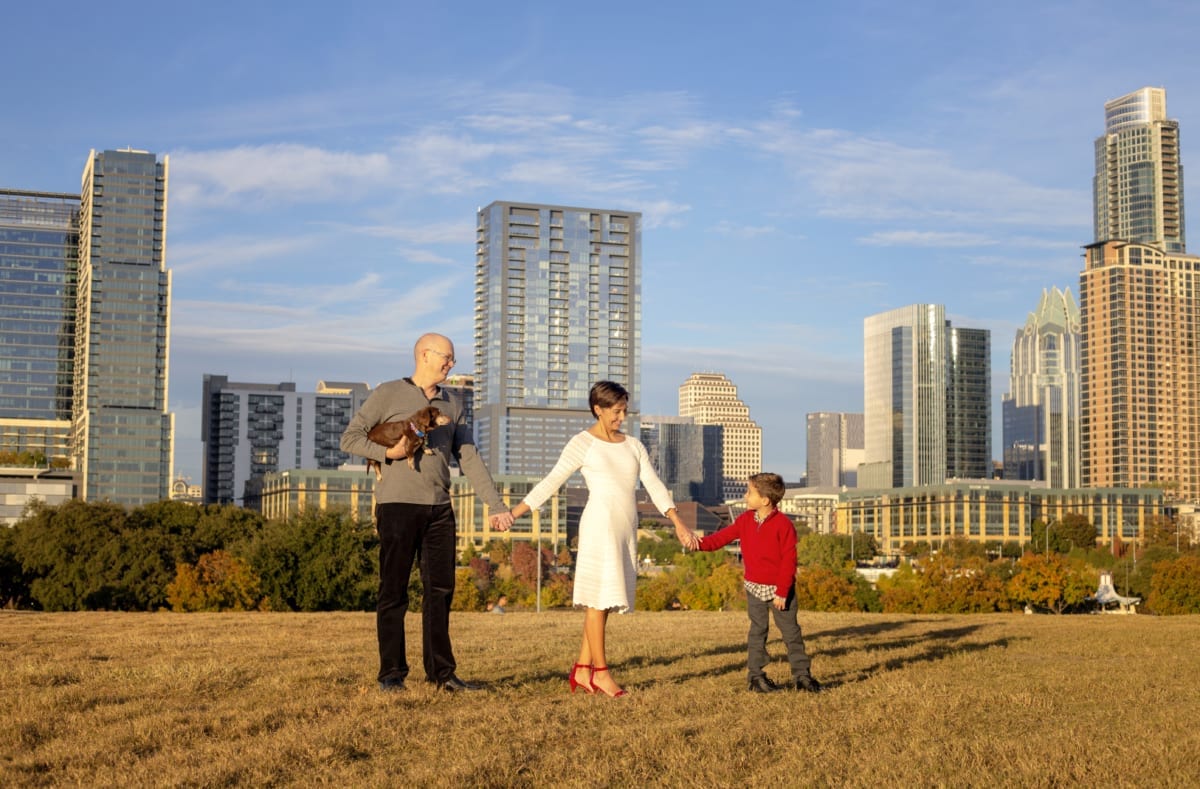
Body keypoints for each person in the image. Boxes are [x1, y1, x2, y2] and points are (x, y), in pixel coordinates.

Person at [341, 333, 514, 693]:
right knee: (394, 591)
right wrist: (389, 454)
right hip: (397, 506)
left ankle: (442, 674)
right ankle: (391, 674)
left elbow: (468, 456)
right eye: (446, 358)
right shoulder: (388, 393)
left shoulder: (454, 403)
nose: (451, 364)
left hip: (439, 509)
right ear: (424, 355)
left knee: (440, 591)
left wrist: (496, 506)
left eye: (452, 359)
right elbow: (350, 438)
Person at [508, 381, 698, 698]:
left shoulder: (634, 446)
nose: (621, 417)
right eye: (616, 411)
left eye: (624, 410)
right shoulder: (582, 443)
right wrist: (515, 513)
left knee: (606, 601)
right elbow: (552, 480)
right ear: (598, 409)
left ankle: (582, 670)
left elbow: (654, 485)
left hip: (626, 528)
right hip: (599, 527)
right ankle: (601, 673)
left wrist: (678, 522)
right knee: (598, 602)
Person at [693, 472, 822, 694]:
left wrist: (782, 591)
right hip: (754, 587)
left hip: (781, 591)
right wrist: (697, 543)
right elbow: (719, 539)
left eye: (749, 492)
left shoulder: (784, 525)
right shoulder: (744, 520)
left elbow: (789, 561)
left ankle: (802, 677)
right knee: (757, 632)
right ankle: (756, 677)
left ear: (765, 500)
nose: (745, 496)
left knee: (791, 633)